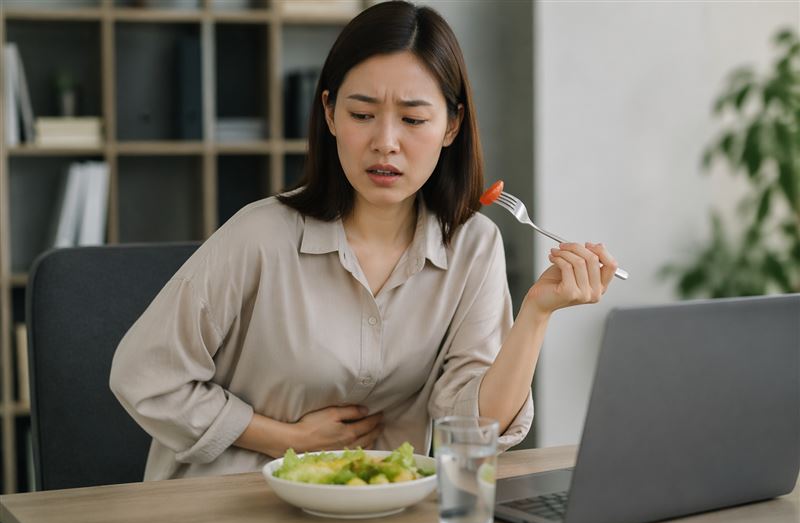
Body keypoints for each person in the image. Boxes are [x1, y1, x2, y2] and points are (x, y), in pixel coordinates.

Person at [110, 0, 618, 481]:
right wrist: (286, 438)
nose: (385, 142)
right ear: (330, 113)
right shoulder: (259, 235)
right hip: (229, 503)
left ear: (452, 125)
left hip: (375, 509)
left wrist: (536, 313)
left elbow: (473, 425)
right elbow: (144, 375)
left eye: (414, 120)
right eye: (361, 114)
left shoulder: (473, 247)